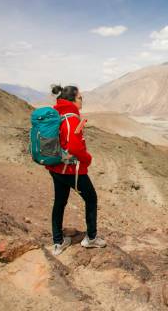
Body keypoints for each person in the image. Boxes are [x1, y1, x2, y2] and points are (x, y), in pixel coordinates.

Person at [45, 84, 106, 255]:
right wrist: (87, 158)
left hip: (56, 167)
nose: (82, 100)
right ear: (72, 99)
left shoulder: (58, 113)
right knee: (91, 198)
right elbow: (73, 146)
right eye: (80, 97)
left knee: (59, 202)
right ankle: (91, 238)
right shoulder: (71, 117)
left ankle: (58, 242)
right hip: (70, 170)